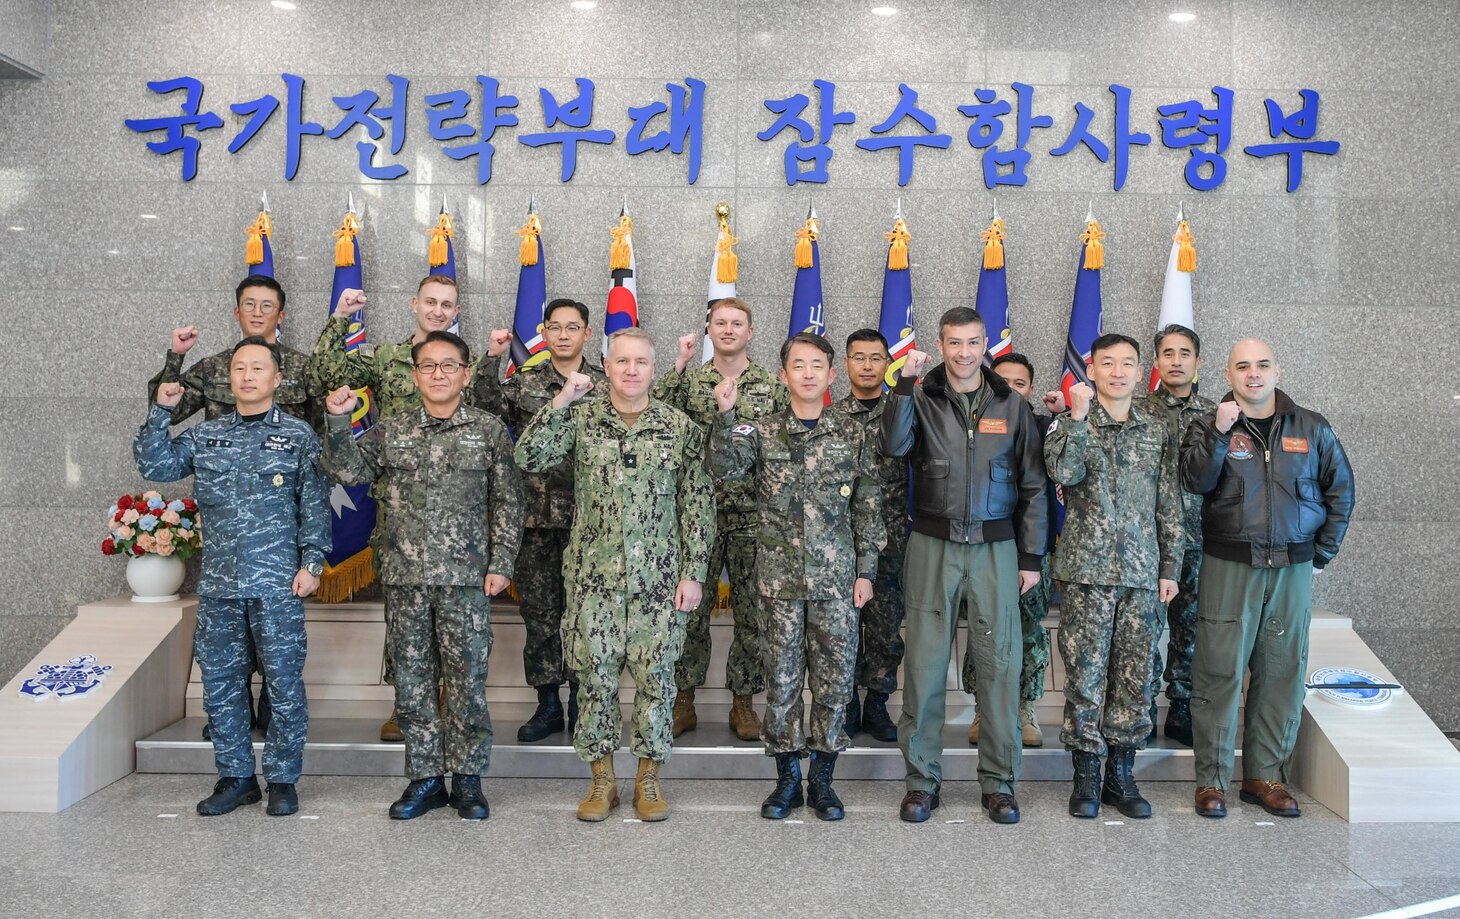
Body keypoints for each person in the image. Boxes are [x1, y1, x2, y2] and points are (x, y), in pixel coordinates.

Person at [320, 331, 523, 821]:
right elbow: (345, 473)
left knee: (467, 680)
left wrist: (501, 564)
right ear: (414, 376)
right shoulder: (392, 430)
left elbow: (508, 502)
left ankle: (468, 780)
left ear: (466, 374)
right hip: (406, 578)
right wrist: (337, 419)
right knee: (411, 681)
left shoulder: (489, 431)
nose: (438, 374)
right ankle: (426, 778)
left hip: (467, 579)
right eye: (428, 366)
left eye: (448, 366)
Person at [516, 328, 715, 823]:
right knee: (595, 681)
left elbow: (696, 504)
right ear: (606, 366)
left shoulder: (679, 427)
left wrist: (693, 574)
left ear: (653, 368)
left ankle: (648, 780)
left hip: (659, 582)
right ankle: (602, 780)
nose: (631, 370)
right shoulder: (582, 419)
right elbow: (528, 457)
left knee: (657, 682)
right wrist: (562, 398)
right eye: (622, 361)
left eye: (641, 362)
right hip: (593, 581)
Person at [136, 337, 330, 818]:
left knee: (284, 683)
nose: (247, 376)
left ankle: (282, 779)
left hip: (277, 584)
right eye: (240, 368)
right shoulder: (207, 436)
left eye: (258, 368)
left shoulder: (299, 436)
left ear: (277, 379)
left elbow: (315, 506)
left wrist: (312, 564)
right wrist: (162, 411)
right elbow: (155, 464)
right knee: (221, 683)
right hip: (221, 585)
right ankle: (236, 776)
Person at [880, 307, 1048, 825]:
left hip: (996, 550)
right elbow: (893, 444)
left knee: (999, 665)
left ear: (984, 346)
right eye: (955, 343)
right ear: (941, 343)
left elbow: (1034, 485)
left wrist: (1030, 556)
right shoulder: (921, 397)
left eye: (973, 343)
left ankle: (999, 783)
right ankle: (921, 783)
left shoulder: (1011, 404)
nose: (964, 353)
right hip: (933, 544)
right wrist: (905, 387)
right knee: (926, 668)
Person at [711, 333, 885, 821]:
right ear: (783, 375)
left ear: (832, 376)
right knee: (783, 683)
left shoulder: (853, 435)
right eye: (798, 366)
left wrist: (866, 571)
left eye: (817, 366)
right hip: (778, 584)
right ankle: (787, 779)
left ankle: (824, 781)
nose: (808, 374)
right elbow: (725, 469)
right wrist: (725, 416)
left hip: (836, 584)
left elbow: (868, 509)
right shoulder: (759, 430)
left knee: (833, 684)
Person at [1181, 339, 1354, 819]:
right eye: (1242, 366)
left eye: (1261, 365)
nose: (1252, 374)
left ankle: (1265, 776)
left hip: (1292, 568)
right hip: (1229, 564)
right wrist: (1218, 433)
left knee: (1281, 672)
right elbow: (1193, 481)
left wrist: (1320, 554)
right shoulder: (1211, 425)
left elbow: (1341, 491)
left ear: (1277, 370)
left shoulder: (1312, 428)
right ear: (1227, 373)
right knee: (1219, 672)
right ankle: (1211, 781)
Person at [147, 274, 324, 739]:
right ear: (237, 311)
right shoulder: (214, 367)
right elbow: (166, 404)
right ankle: (233, 723)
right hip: (228, 525)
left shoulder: (304, 369)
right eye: (250, 304)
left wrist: (311, 553)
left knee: (280, 655)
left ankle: (271, 721)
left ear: (281, 314)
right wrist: (175, 359)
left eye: (268, 305)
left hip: (277, 521)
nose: (259, 312)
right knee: (226, 651)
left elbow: (320, 443)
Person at [311, 275, 467, 742]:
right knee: (403, 613)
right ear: (414, 304)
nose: (438, 311)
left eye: (448, 305)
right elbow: (323, 371)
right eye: (431, 302)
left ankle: (443, 699)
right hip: (396, 505)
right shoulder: (385, 358)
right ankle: (406, 702)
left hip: (449, 507)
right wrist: (340, 318)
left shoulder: (464, 362)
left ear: (456, 312)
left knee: (450, 612)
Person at [1044, 333, 1183, 819]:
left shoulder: (1156, 427)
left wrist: (1170, 567)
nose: (1118, 372)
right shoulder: (1070, 421)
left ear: (1140, 369)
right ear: (1091, 368)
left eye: (1128, 363)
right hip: (1087, 572)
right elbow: (1062, 473)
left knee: (1135, 676)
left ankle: (1121, 776)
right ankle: (1085, 776)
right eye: (1108, 364)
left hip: (1143, 574)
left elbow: (1169, 502)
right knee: (1085, 674)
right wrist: (1077, 421)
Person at [652, 298, 788, 741]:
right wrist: (679, 362)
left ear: (751, 332)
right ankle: (684, 699)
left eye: (737, 324)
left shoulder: (771, 386)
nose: (728, 330)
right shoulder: (690, 384)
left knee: (753, 612)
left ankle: (744, 703)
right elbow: (655, 416)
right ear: (708, 329)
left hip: (754, 514)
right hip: (697, 514)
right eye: (720, 323)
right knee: (689, 611)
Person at [475, 299, 608, 743]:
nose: (565, 335)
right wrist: (492, 360)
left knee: (586, 616)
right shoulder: (525, 383)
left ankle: (582, 703)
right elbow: (484, 412)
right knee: (541, 615)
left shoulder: (607, 386)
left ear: (588, 334)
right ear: (543, 332)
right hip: (534, 519)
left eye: (574, 327)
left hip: (590, 524)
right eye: (556, 327)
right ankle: (548, 703)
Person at [961, 352, 1060, 749]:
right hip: (986, 545)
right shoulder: (975, 428)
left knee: (1030, 629)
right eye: (1004, 382)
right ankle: (983, 708)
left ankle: (1024, 708)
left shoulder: (1044, 426)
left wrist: (1065, 415)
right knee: (984, 627)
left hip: (1033, 546)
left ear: (1030, 389)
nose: (1011, 389)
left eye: (1020, 384)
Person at [832, 329, 908, 744]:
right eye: (858, 357)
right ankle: (844, 703)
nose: (866, 366)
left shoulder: (902, 414)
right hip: (839, 541)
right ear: (845, 364)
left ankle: (877, 703)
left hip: (891, 539)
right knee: (841, 627)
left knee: (884, 625)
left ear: (887, 365)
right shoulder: (830, 417)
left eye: (875, 358)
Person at [1144, 324, 1217, 746]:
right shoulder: (1135, 409)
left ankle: (1183, 706)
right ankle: (1143, 707)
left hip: (1199, 538)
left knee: (1190, 628)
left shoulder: (1216, 414)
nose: (1175, 361)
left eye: (1184, 353)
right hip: (1148, 542)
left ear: (1197, 362)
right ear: (1156, 362)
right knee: (1145, 630)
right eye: (1167, 353)